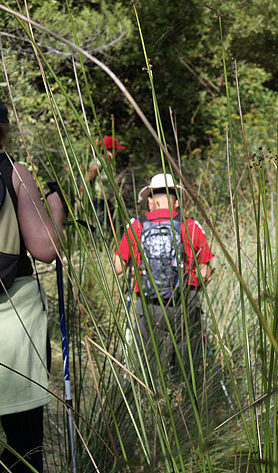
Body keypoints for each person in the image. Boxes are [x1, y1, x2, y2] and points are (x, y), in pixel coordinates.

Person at [0, 89, 64, 472]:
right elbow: (45, 249)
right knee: (25, 442)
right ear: (1, 129)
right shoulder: (14, 171)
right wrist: (55, 207)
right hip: (13, 330)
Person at [114, 173, 214, 379]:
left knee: (150, 359)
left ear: (150, 200)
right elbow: (205, 272)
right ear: (176, 202)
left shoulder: (137, 226)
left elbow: (118, 267)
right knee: (187, 361)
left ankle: (151, 401)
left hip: (149, 303)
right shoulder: (191, 226)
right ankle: (185, 401)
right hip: (185, 302)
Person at [85, 135, 125, 230]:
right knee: (113, 225)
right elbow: (87, 179)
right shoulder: (98, 163)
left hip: (104, 199)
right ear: (109, 150)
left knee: (118, 224)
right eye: (115, 149)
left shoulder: (107, 162)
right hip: (98, 200)